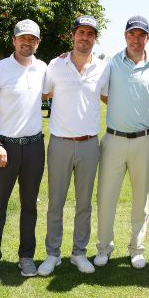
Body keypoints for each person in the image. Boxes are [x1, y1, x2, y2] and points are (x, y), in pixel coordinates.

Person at [36, 15, 110, 276]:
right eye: (81, 32)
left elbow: (109, 98)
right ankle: (52, 254)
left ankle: (79, 252)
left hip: (89, 144)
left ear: (95, 38)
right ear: (73, 35)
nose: (85, 37)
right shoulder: (55, 65)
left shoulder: (103, 67)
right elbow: (42, 94)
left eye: (90, 33)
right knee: (55, 202)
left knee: (84, 204)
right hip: (59, 144)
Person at [0, 19, 47, 283]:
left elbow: (50, 91)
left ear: (38, 43)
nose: (27, 43)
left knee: (30, 205)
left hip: (34, 147)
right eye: (22, 38)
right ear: (14, 40)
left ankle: (26, 257)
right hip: (4, 147)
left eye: (32, 39)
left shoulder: (42, 69)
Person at [93, 15, 149, 270]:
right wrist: (123, 110)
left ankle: (137, 248)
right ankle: (103, 247)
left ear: (147, 38)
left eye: (141, 35)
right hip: (114, 139)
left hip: (145, 140)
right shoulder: (112, 62)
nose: (136, 39)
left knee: (140, 199)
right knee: (106, 196)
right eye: (132, 34)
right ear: (125, 36)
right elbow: (103, 94)